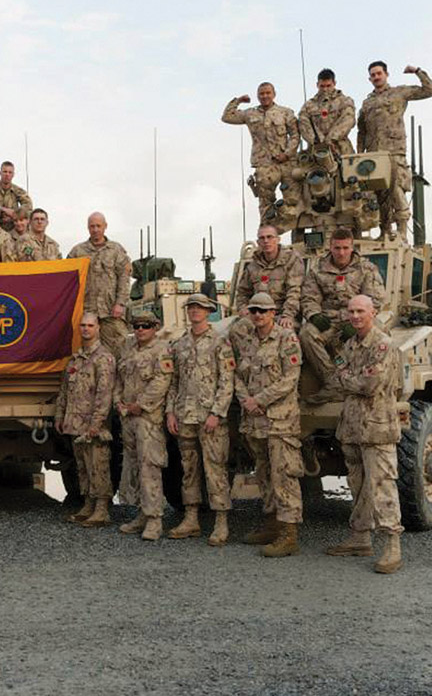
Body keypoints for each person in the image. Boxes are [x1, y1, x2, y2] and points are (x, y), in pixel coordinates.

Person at [328, 295, 404, 574]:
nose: (355, 316)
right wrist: (350, 377)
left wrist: (349, 377)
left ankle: (392, 544)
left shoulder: (383, 344)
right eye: (351, 311)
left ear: (373, 312)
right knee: (357, 484)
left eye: (361, 311)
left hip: (377, 427)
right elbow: (335, 376)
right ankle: (360, 537)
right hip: (351, 426)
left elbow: (370, 384)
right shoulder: (350, 344)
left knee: (382, 485)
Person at [234, 293, 304, 557]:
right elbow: (238, 376)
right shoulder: (248, 340)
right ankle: (272, 522)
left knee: (284, 474)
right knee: (263, 473)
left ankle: (289, 534)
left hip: (280, 420)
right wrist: (246, 401)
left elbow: (290, 379)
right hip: (254, 421)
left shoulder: (286, 339)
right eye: (254, 310)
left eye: (263, 310)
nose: (258, 315)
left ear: (273, 312)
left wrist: (260, 399)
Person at [165, 293, 235, 544]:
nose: (195, 311)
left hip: (210, 418)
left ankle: (221, 522)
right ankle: (191, 518)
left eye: (200, 308)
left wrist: (217, 412)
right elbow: (173, 382)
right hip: (185, 416)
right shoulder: (180, 344)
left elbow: (227, 382)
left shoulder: (219, 342)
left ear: (208, 312)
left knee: (215, 469)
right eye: (191, 307)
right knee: (189, 469)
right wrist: (170, 412)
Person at [357, 62, 432, 238]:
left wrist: (417, 71)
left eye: (379, 73)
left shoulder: (399, 93)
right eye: (373, 75)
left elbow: (429, 90)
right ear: (370, 78)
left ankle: (401, 231)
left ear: (386, 74)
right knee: (379, 194)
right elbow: (361, 131)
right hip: (373, 154)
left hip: (393, 151)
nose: (376, 77)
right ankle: (385, 231)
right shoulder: (367, 103)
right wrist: (360, 154)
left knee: (396, 190)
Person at [299, 228, 385, 388]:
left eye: (345, 248)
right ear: (330, 248)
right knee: (306, 333)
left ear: (352, 248)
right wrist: (314, 315)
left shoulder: (366, 269)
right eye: (337, 248)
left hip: (357, 318)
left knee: (379, 331)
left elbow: (374, 300)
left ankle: (371, 382)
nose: (341, 252)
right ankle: (332, 381)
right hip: (328, 321)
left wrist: (356, 321)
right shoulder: (317, 270)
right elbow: (308, 297)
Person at [115, 312, 173, 541]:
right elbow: (119, 378)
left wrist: (140, 405)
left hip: (148, 418)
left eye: (146, 326)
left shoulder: (162, 350)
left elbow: (162, 381)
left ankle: (154, 519)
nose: (140, 330)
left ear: (155, 327)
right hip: (128, 417)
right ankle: (141, 513)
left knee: (150, 466)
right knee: (134, 465)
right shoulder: (128, 348)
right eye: (137, 326)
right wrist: (118, 401)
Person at [55, 313, 116, 528]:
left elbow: (104, 394)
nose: (86, 329)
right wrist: (60, 416)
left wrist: (96, 424)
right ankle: (88, 505)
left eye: (90, 325)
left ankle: (101, 510)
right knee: (82, 467)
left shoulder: (104, 358)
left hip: (93, 427)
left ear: (98, 328)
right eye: (83, 325)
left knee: (98, 467)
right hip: (75, 425)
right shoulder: (76, 359)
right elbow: (65, 391)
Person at [221, 83, 299, 218]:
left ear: (274, 94)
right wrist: (238, 101)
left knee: (293, 201)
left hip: (286, 163)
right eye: (262, 94)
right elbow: (227, 117)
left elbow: (295, 135)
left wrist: (287, 154)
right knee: (266, 204)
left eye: (268, 93)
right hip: (264, 164)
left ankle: (295, 230)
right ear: (257, 96)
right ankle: (267, 235)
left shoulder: (286, 113)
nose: (265, 96)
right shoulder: (250, 114)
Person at [67, 212, 131, 358]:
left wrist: (120, 303)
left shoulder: (116, 250)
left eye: (98, 226)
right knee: (86, 354)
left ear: (105, 227)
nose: (95, 229)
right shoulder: (78, 251)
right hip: (87, 311)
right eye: (92, 226)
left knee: (118, 351)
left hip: (111, 311)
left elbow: (124, 278)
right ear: (87, 228)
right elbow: (68, 279)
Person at [230, 224, 303, 348]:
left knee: (287, 336)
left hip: (281, 313)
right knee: (235, 331)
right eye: (262, 238)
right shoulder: (253, 266)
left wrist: (288, 315)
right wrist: (243, 309)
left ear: (278, 239)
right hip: (257, 314)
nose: (266, 241)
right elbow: (243, 292)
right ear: (258, 242)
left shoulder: (291, 260)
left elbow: (294, 291)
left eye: (270, 237)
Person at [298, 68, 355, 154]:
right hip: (316, 151)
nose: (325, 89)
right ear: (317, 84)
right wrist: (318, 141)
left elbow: (347, 121)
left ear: (334, 83)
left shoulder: (345, 101)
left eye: (328, 86)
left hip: (341, 150)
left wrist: (331, 139)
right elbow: (303, 124)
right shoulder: (308, 106)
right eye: (322, 86)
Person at [0, 161, 32, 233]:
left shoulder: (18, 190)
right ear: (0, 173)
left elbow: (28, 205)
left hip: (13, 225)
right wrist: (3, 210)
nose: (7, 175)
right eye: (5, 172)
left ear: (13, 174)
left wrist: (15, 213)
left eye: (10, 172)